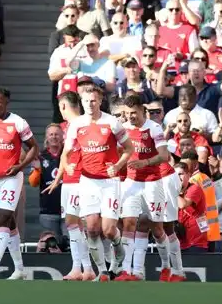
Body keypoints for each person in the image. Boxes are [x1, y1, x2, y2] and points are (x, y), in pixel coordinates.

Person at [61, 85, 134, 281]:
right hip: (88, 182)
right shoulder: (76, 125)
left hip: (110, 182)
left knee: (108, 230)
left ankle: (118, 251)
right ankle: (102, 270)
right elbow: (66, 152)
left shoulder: (112, 123)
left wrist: (118, 166)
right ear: (81, 102)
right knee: (91, 228)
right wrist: (67, 165)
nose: (90, 104)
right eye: (86, 101)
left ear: (100, 101)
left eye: (93, 101)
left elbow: (129, 148)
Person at [116, 95, 183, 282]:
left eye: (134, 113)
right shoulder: (124, 129)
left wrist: (144, 162)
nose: (130, 117)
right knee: (129, 223)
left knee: (157, 228)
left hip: (153, 182)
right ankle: (127, 270)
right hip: (132, 181)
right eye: (127, 114)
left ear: (143, 111)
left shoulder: (153, 128)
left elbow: (163, 156)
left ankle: (166, 267)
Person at [0, 88, 39, 280]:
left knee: (4, 217)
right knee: (9, 223)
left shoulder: (18, 122)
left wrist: (20, 166)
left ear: (6, 102)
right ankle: (19, 269)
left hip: (11, 177)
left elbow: (34, 147)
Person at [44, 91, 95, 280]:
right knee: (72, 223)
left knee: (81, 224)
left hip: (81, 180)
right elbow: (67, 156)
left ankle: (90, 268)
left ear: (63, 106)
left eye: (60, 107)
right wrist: (57, 180)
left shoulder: (83, 123)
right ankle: (80, 268)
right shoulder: (68, 126)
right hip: (69, 181)